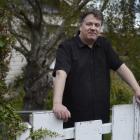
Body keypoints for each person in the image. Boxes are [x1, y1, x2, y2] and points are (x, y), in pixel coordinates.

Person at [52, 8, 140, 139]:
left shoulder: (104, 45)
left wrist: (137, 89)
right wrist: (57, 103)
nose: (93, 28)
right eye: (89, 24)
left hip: (100, 119)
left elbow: (120, 67)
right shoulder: (67, 47)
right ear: (80, 26)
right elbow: (60, 73)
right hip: (73, 119)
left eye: (97, 25)